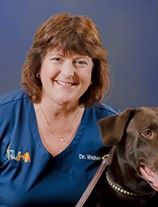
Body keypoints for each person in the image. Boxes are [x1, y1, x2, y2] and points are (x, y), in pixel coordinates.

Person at [0, 13, 119, 206]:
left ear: (93, 72)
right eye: (57, 59)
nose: (68, 72)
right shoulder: (4, 116)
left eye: (80, 62)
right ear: (38, 67)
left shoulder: (113, 127)